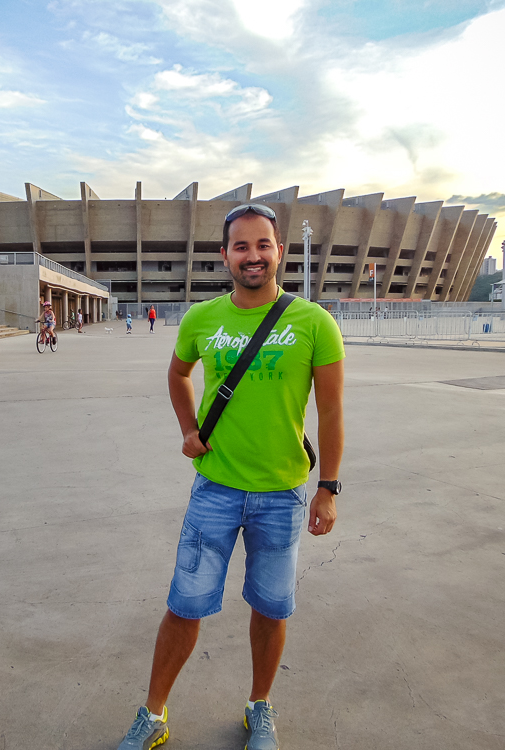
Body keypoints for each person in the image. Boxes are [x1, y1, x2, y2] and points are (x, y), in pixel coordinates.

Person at [115, 203, 345, 750]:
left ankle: (259, 707)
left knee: (270, 607)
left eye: (262, 244)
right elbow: (177, 373)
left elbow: (332, 413)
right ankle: (153, 714)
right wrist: (189, 428)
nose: (253, 255)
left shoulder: (313, 322)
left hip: (282, 494)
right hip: (214, 489)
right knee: (184, 605)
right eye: (240, 246)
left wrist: (329, 489)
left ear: (279, 251)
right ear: (225, 256)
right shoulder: (202, 318)